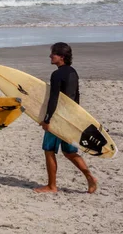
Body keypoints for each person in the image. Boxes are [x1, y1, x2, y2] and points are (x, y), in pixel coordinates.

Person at [34, 42, 98, 194]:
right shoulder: (73, 72)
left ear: (61, 57)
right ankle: (89, 176)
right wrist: (77, 116)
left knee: (49, 150)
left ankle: (52, 186)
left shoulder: (57, 74)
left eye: (53, 54)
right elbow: (76, 96)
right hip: (71, 117)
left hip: (58, 118)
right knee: (69, 152)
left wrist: (47, 120)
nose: (50, 56)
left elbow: (54, 99)